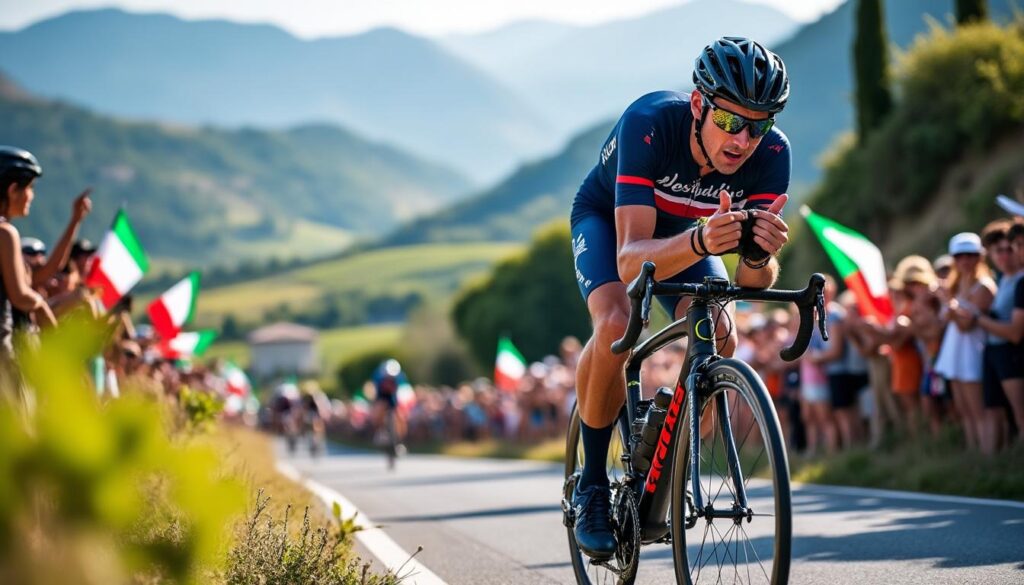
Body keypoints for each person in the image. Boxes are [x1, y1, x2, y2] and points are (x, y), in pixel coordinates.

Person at [568, 37, 791, 559]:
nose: (743, 139)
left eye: (757, 125)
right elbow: (630, 262)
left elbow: (753, 282)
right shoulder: (649, 123)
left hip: (690, 235)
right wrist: (701, 241)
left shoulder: (773, 153)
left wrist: (759, 252)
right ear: (697, 105)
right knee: (616, 324)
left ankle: (666, 458)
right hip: (614, 225)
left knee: (722, 334)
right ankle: (592, 484)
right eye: (730, 121)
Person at [934, 233, 996, 453]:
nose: (965, 260)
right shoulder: (957, 285)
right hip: (955, 352)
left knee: (979, 410)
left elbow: (966, 325)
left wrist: (947, 303)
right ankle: (973, 452)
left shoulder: (984, 287)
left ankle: (987, 455)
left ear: (980, 257)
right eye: (959, 256)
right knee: (964, 410)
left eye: (970, 255)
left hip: (973, 351)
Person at [967, 222, 1024, 448]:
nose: (1004, 255)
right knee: (995, 411)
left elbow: (1015, 333)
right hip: (995, 351)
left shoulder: (1020, 281)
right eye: (997, 251)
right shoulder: (1003, 280)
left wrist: (978, 318)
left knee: (1020, 415)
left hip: (1011, 353)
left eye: (1009, 249)